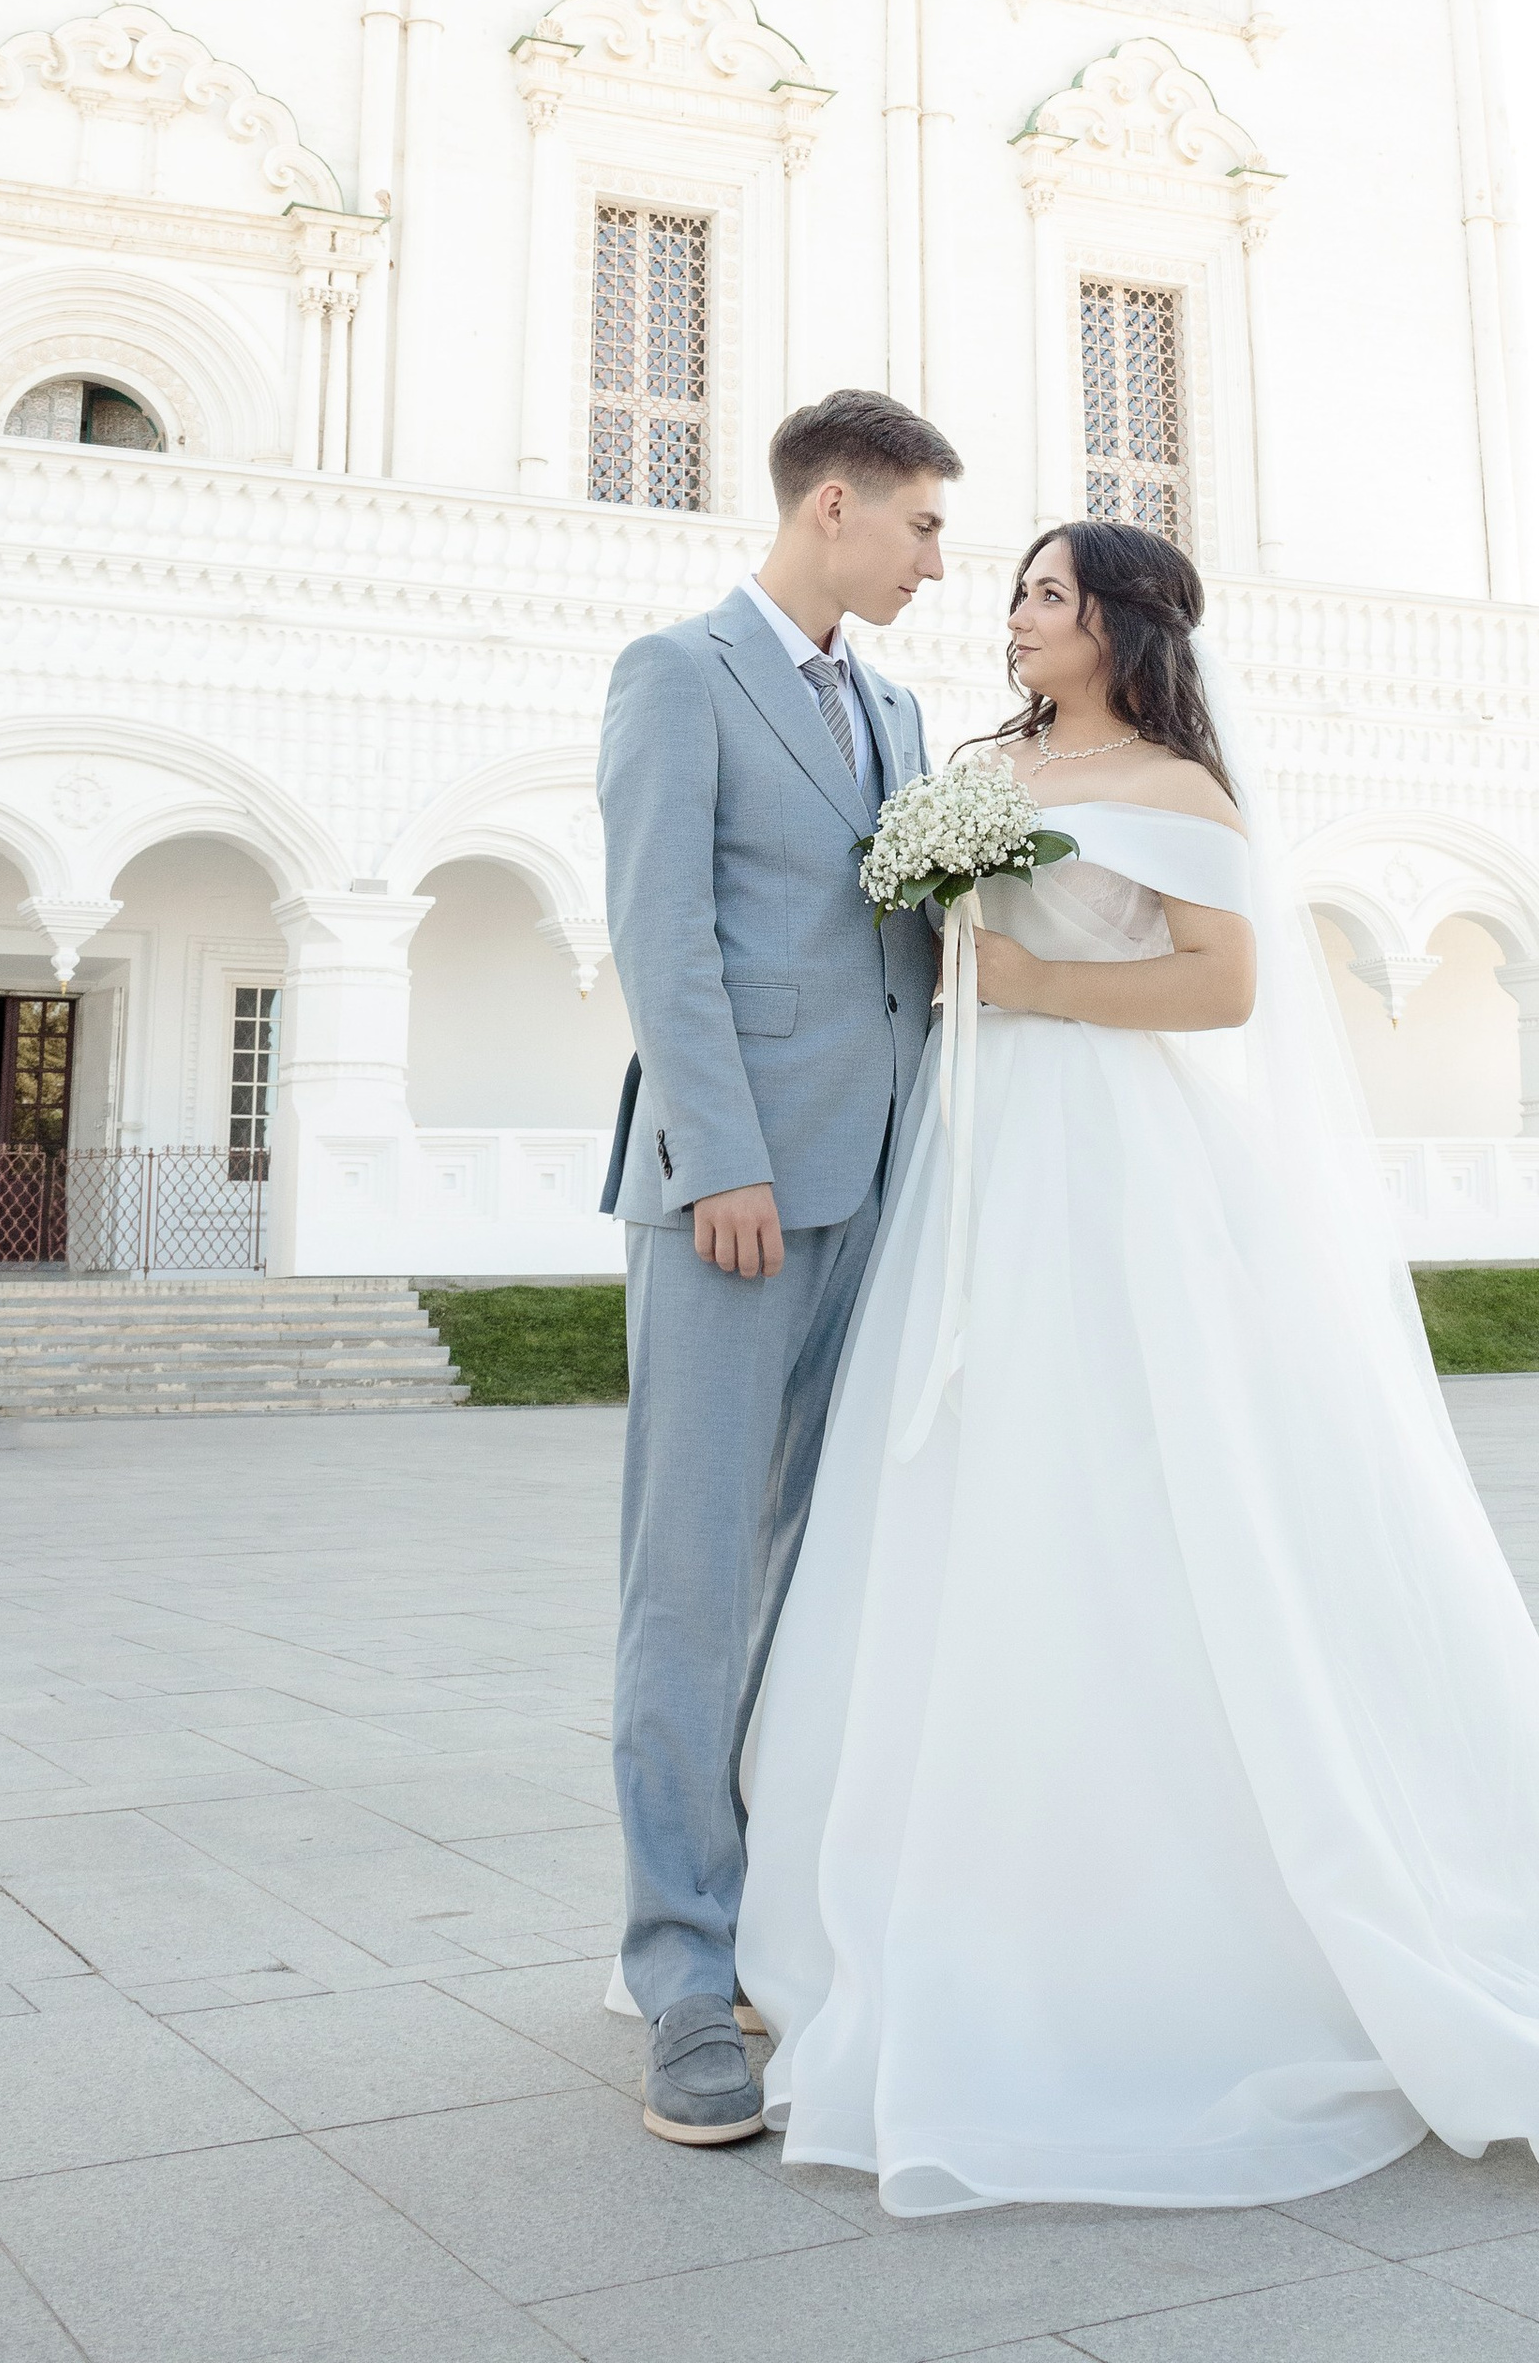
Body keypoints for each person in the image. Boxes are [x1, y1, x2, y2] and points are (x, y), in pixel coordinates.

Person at [734, 519, 1539, 2214]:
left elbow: (1222, 985)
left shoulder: (1183, 791)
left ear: (1117, 620)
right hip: (982, 1163)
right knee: (972, 1484)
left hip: (1119, 1150)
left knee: (1150, 1472)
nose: (1017, 613)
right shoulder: (978, 764)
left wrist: (1030, 971)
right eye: (1018, 591)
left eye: (1046, 592)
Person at [596, 388, 961, 2149]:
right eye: (922, 528)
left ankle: (780, 1934)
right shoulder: (678, 676)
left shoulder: (898, 709)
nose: (936, 560)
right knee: (693, 1581)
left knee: (819, 1578)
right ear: (837, 505)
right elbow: (659, 932)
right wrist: (717, 1154)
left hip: (889, 1186)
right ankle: (680, 1975)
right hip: (737, 1191)